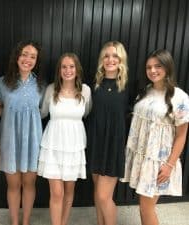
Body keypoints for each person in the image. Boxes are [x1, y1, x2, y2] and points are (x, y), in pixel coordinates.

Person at [120, 49, 189, 225]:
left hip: (159, 162)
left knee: (146, 207)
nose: (152, 71)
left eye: (158, 66)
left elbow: (181, 135)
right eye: (149, 67)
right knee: (143, 206)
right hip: (141, 158)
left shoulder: (179, 97)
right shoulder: (146, 91)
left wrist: (169, 165)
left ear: (167, 67)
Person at [38, 53, 92, 225]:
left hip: (74, 146)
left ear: (77, 69)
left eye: (71, 66)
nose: (68, 70)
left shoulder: (85, 90)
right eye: (64, 67)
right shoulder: (51, 89)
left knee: (69, 190)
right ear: (59, 70)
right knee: (57, 192)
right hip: (53, 145)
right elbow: (42, 113)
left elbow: (87, 113)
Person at [0, 40, 44, 225]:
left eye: (33, 56)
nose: (28, 59)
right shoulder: (2, 83)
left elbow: (44, 110)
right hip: (10, 142)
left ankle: (26, 221)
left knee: (29, 184)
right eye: (24, 54)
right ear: (17, 56)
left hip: (32, 142)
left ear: (36, 61)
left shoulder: (41, 85)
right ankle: (15, 222)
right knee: (13, 185)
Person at [87, 41, 129, 225]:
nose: (110, 59)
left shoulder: (128, 86)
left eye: (115, 56)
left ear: (121, 59)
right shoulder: (95, 85)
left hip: (113, 147)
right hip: (96, 143)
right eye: (106, 55)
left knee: (104, 197)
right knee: (97, 192)